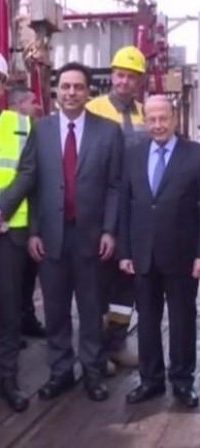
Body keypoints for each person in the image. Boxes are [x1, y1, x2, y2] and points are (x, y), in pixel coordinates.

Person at [1, 62, 124, 402]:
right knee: (55, 311)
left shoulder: (108, 132)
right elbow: (33, 182)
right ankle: (60, 372)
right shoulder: (40, 130)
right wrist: (34, 232)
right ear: (57, 91)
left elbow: (115, 186)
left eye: (78, 87)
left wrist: (109, 230)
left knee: (91, 309)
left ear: (88, 92)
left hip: (92, 236)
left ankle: (93, 373)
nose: (71, 93)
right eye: (65, 86)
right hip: (50, 237)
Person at [119, 95, 200, 408]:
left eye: (163, 118)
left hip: (183, 255)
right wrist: (125, 252)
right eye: (152, 119)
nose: (158, 125)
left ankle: (182, 381)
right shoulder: (133, 155)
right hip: (143, 254)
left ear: (175, 118)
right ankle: (150, 380)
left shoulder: (197, 155)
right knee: (147, 320)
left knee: (182, 320)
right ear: (145, 120)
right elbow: (125, 206)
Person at [86, 45, 148, 369]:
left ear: (139, 81)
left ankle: (117, 343)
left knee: (127, 279)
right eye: (120, 75)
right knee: (98, 280)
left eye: (132, 77)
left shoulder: (145, 114)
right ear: (112, 75)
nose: (125, 82)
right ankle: (95, 349)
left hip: (134, 210)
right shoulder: (92, 108)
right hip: (101, 208)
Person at [0, 55, 31, 412]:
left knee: (9, 309)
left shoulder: (22, 125)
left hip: (10, 232)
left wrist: (2, 209)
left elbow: (28, 171)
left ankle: (8, 379)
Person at [8, 86, 45, 339]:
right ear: (20, 104)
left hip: (25, 217)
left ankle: (25, 321)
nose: (38, 106)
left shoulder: (32, 127)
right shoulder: (19, 128)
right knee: (15, 282)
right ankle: (15, 329)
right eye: (33, 102)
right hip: (15, 218)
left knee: (25, 278)